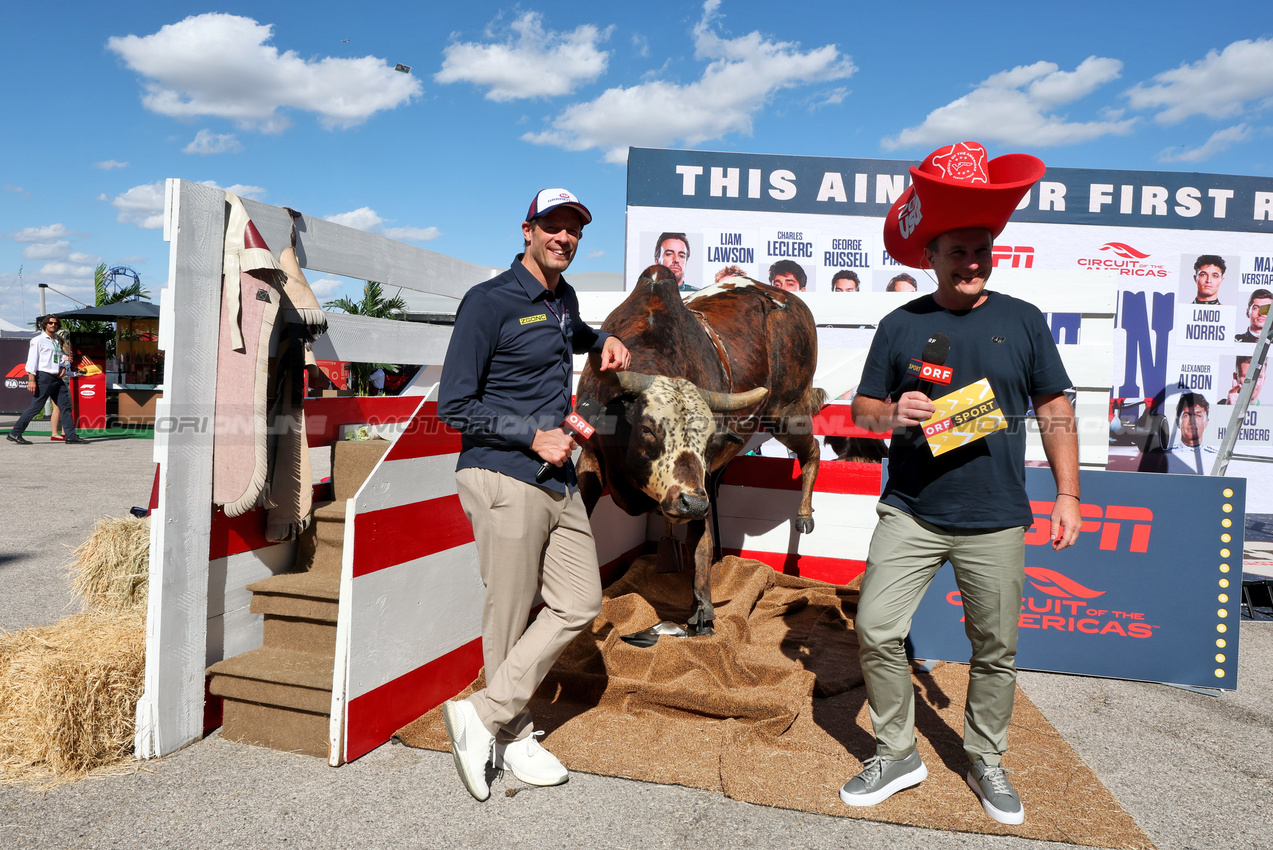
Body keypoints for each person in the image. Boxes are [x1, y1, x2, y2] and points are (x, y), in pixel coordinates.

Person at [841, 141, 1080, 826]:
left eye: (981, 251)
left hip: (997, 514)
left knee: (994, 651)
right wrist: (895, 411)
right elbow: (861, 411)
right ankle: (896, 751)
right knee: (877, 629)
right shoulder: (900, 324)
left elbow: (1055, 411)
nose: (971, 263)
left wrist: (1066, 494)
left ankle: (986, 759)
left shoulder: (1023, 320)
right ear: (932, 256)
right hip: (911, 509)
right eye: (957, 253)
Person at [437, 188, 631, 802]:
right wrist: (531, 436)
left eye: (573, 229)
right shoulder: (487, 302)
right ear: (527, 230)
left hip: (557, 478)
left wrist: (600, 340)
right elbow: (454, 406)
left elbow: (570, 334)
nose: (564, 238)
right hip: (502, 473)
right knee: (510, 610)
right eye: (553, 226)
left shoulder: (562, 299)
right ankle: (514, 733)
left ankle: (484, 713)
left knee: (579, 600)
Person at [8, 315, 87, 446]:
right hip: (44, 377)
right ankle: (15, 432)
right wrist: (31, 379)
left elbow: (56, 359)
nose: (53, 325)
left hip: (57, 378)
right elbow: (32, 360)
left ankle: (71, 436)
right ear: (45, 325)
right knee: (36, 407)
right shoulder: (37, 340)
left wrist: (62, 367)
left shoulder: (56, 341)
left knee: (65, 406)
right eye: (50, 323)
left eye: (55, 323)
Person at [1135, 393, 1214, 474]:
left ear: (1206, 422)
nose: (1192, 421)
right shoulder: (1162, 456)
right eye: (1186, 415)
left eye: (1198, 415)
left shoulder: (1216, 457)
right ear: (1178, 422)